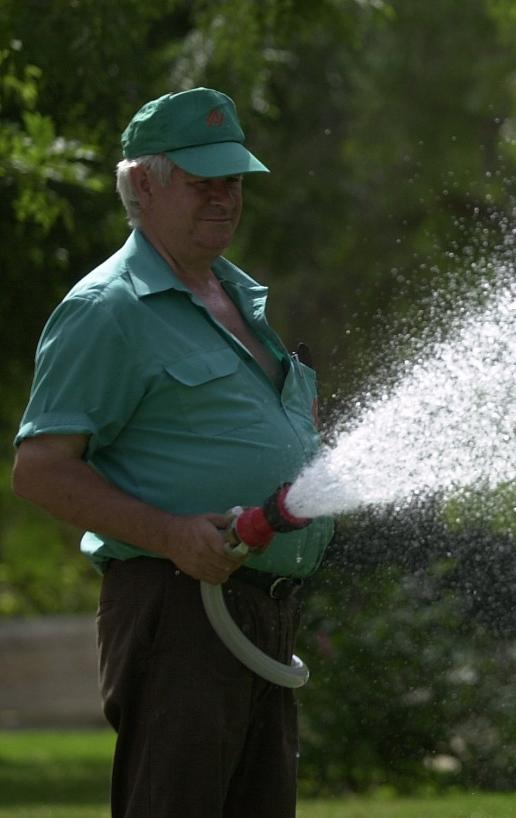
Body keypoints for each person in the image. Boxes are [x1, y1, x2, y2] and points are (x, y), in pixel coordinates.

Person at [11, 87, 333, 818]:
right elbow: (40, 470)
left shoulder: (237, 297)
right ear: (144, 185)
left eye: (234, 180)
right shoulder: (106, 309)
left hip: (260, 611)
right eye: (202, 180)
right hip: (180, 611)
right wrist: (172, 535)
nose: (225, 197)